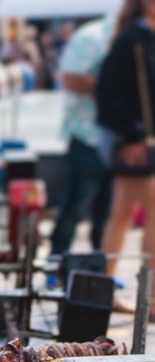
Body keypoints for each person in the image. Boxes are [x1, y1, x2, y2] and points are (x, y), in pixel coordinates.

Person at [96, 0, 155, 316]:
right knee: (149, 211)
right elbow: (107, 95)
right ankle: (152, 297)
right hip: (134, 143)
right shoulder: (133, 40)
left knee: (121, 215)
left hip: (139, 142)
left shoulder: (140, 38)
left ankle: (102, 294)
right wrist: (131, 134)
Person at [48, 15, 115, 259]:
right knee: (74, 208)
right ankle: (55, 266)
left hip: (117, 139)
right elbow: (68, 78)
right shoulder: (93, 37)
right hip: (89, 137)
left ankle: (102, 274)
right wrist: (116, 83)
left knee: (107, 214)